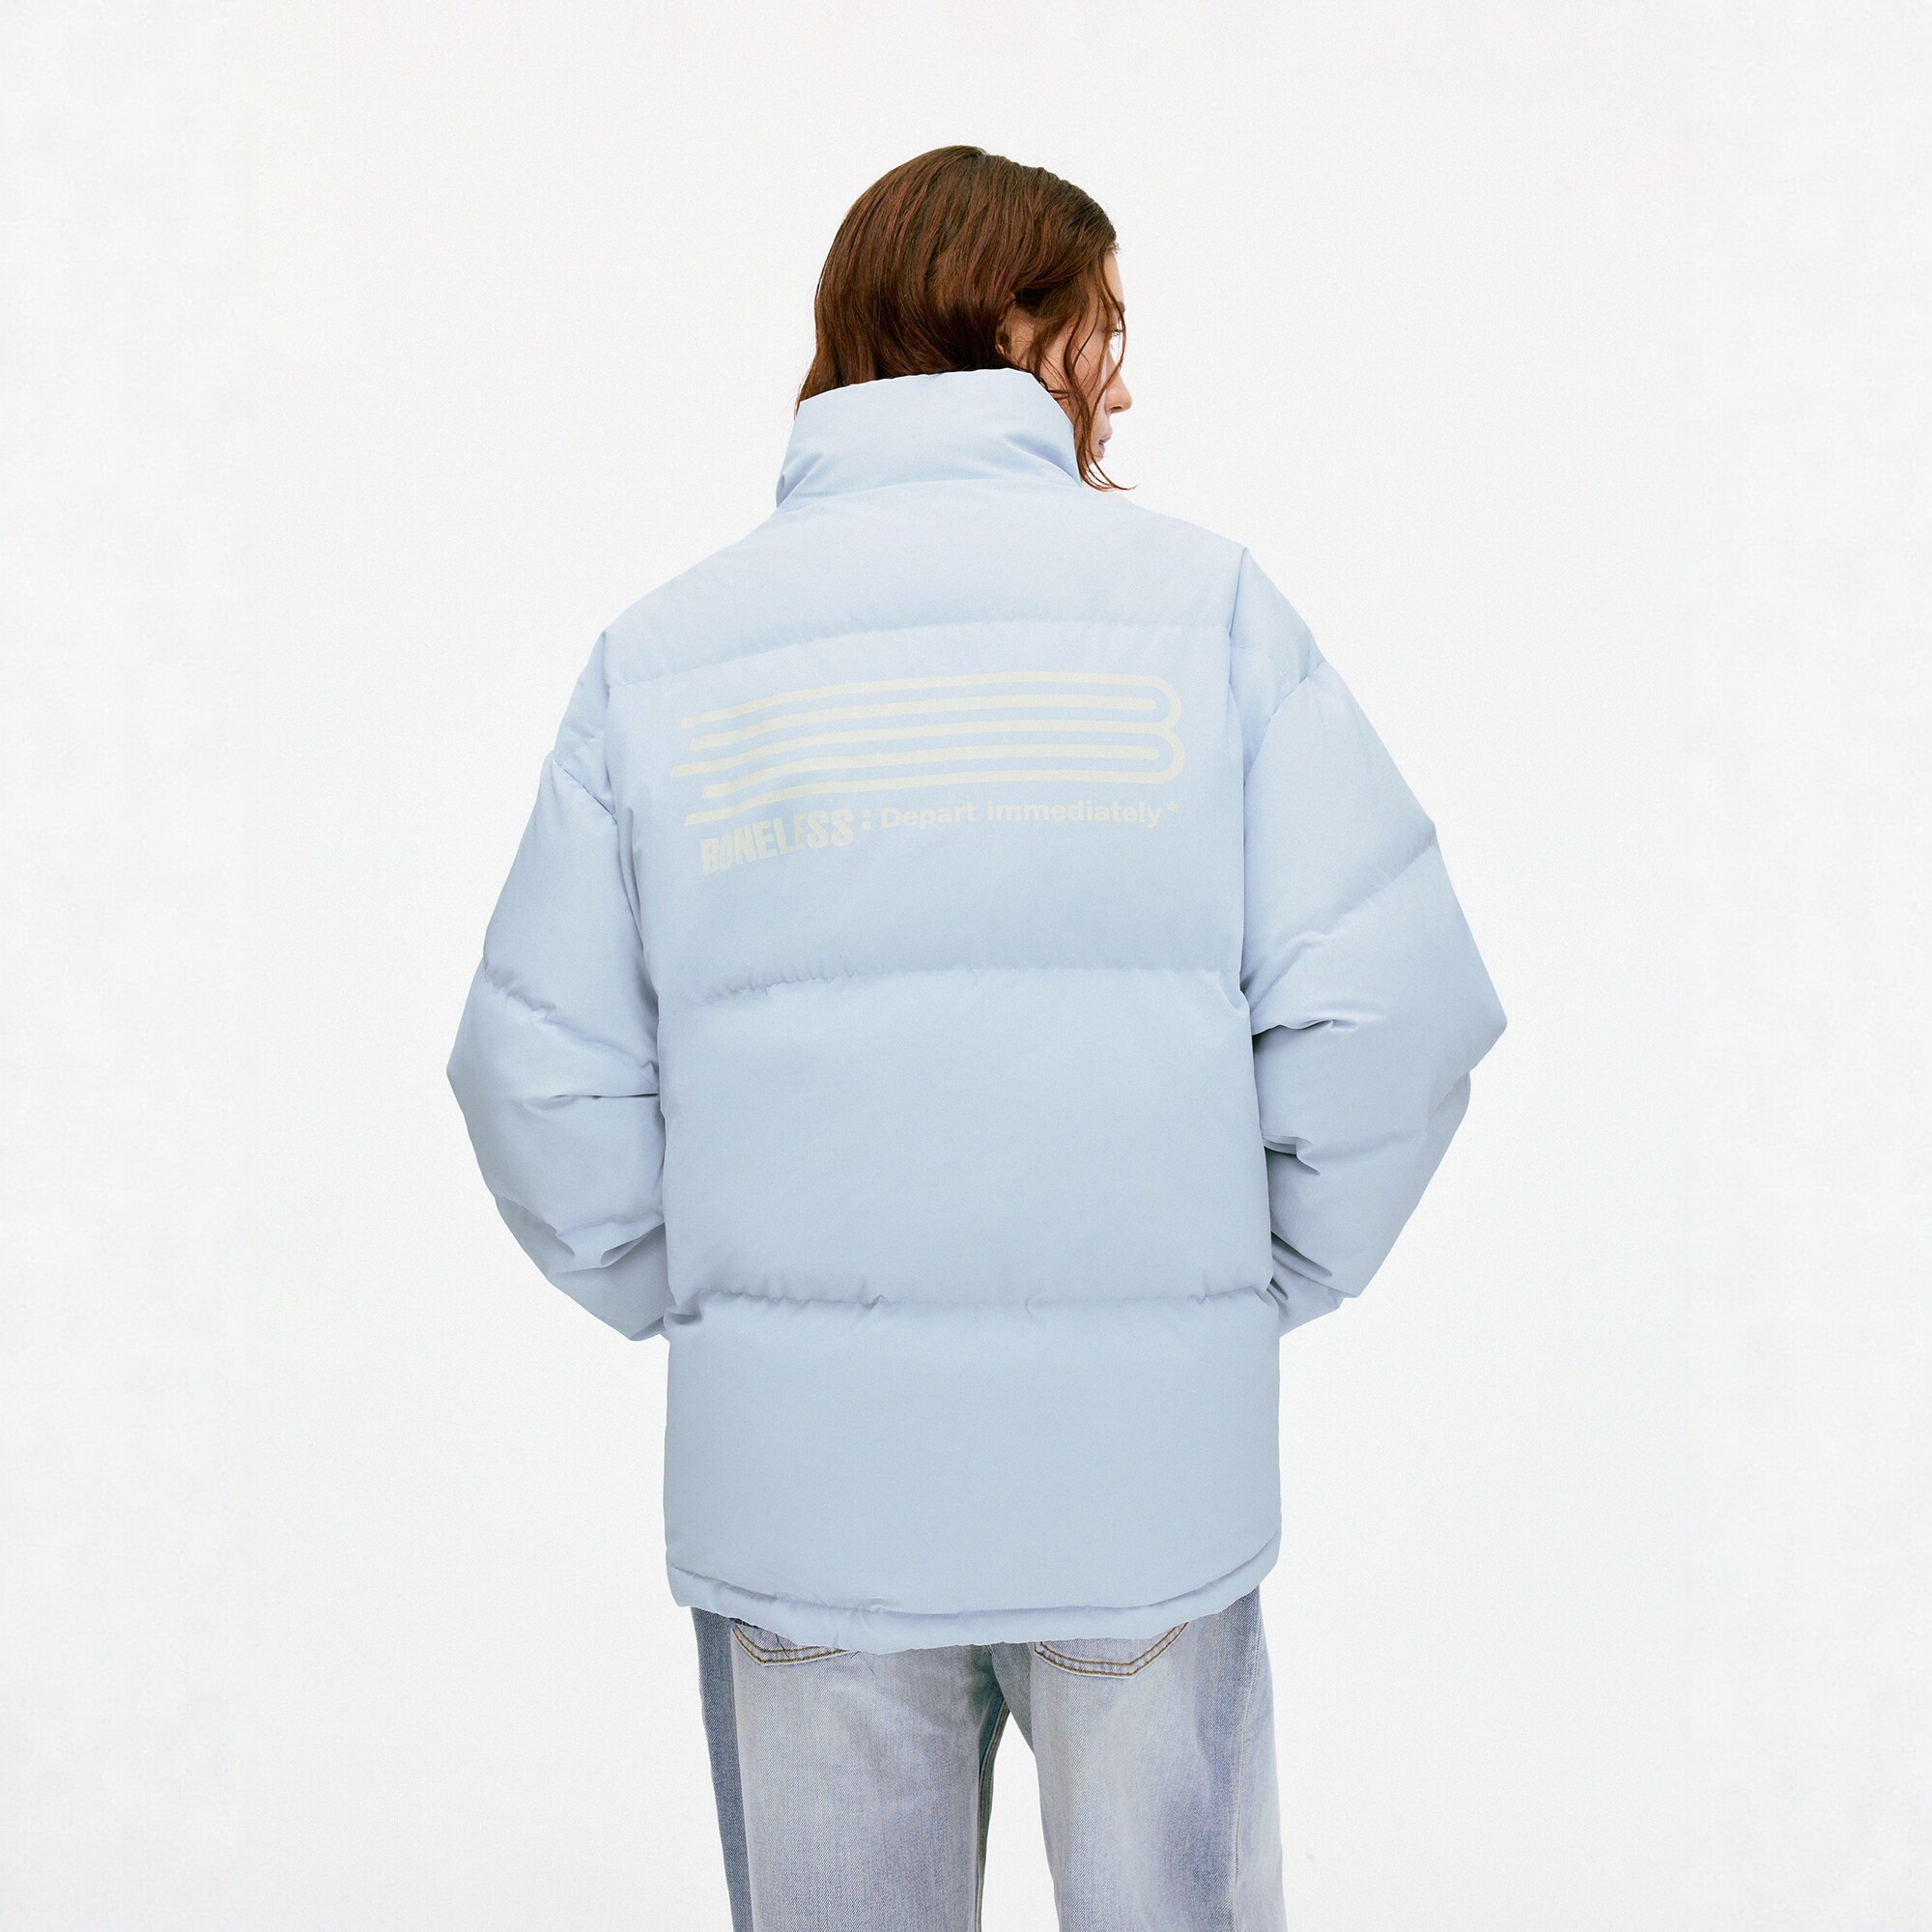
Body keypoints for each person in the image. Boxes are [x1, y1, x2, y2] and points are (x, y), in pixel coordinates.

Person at [447, 144, 1506, 1932]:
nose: (1120, 382)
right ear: (1014, 323)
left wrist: (739, 1307)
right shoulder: (1203, 615)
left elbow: (534, 1075)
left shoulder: (667, 657)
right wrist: (1242, 1284)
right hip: (1138, 1490)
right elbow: (1392, 1010)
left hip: (807, 1504)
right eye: (1107, 329)